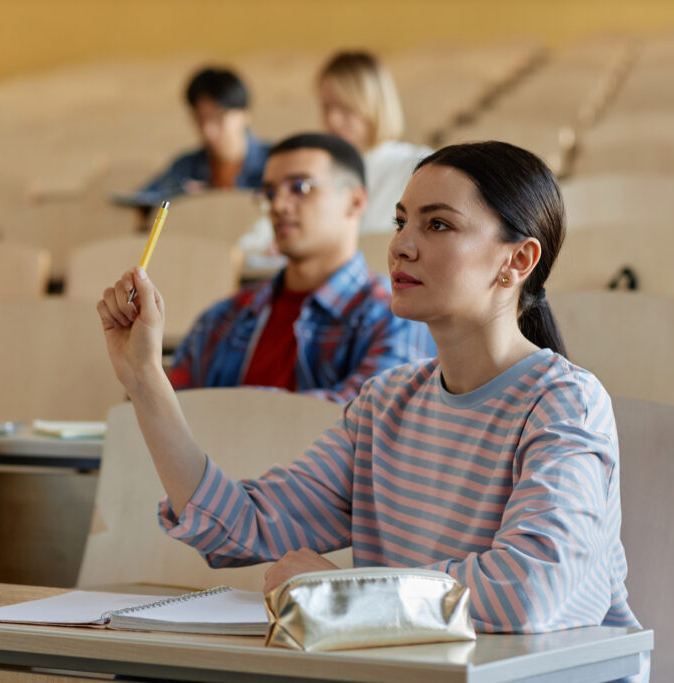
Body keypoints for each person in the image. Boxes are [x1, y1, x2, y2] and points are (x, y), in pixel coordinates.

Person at [98, 141, 644, 679]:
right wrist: (144, 378)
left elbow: (529, 592)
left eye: (437, 225)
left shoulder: (565, 401)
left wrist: (344, 591)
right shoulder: (386, 403)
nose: (401, 246)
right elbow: (239, 526)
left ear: (518, 259)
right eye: (401, 221)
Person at [168, 133, 433, 402]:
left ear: (355, 201)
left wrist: (225, 408)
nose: (278, 206)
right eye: (270, 193)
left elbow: (369, 415)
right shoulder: (223, 318)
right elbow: (167, 419)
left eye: (300, 188)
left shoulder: (394, 315)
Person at [318, 51, 433, 235]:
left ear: (375, 106)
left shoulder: (421, 167)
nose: (332, 120)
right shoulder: (319, 171)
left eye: (345, 108)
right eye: (326, 107)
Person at [137, 67, 270, 200]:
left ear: (245, 114)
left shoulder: (274, 162)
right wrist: (180, 201)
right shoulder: (186, 167)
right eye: (200, 119)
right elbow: (141, 200)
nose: (208, 130)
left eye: (218, 117)